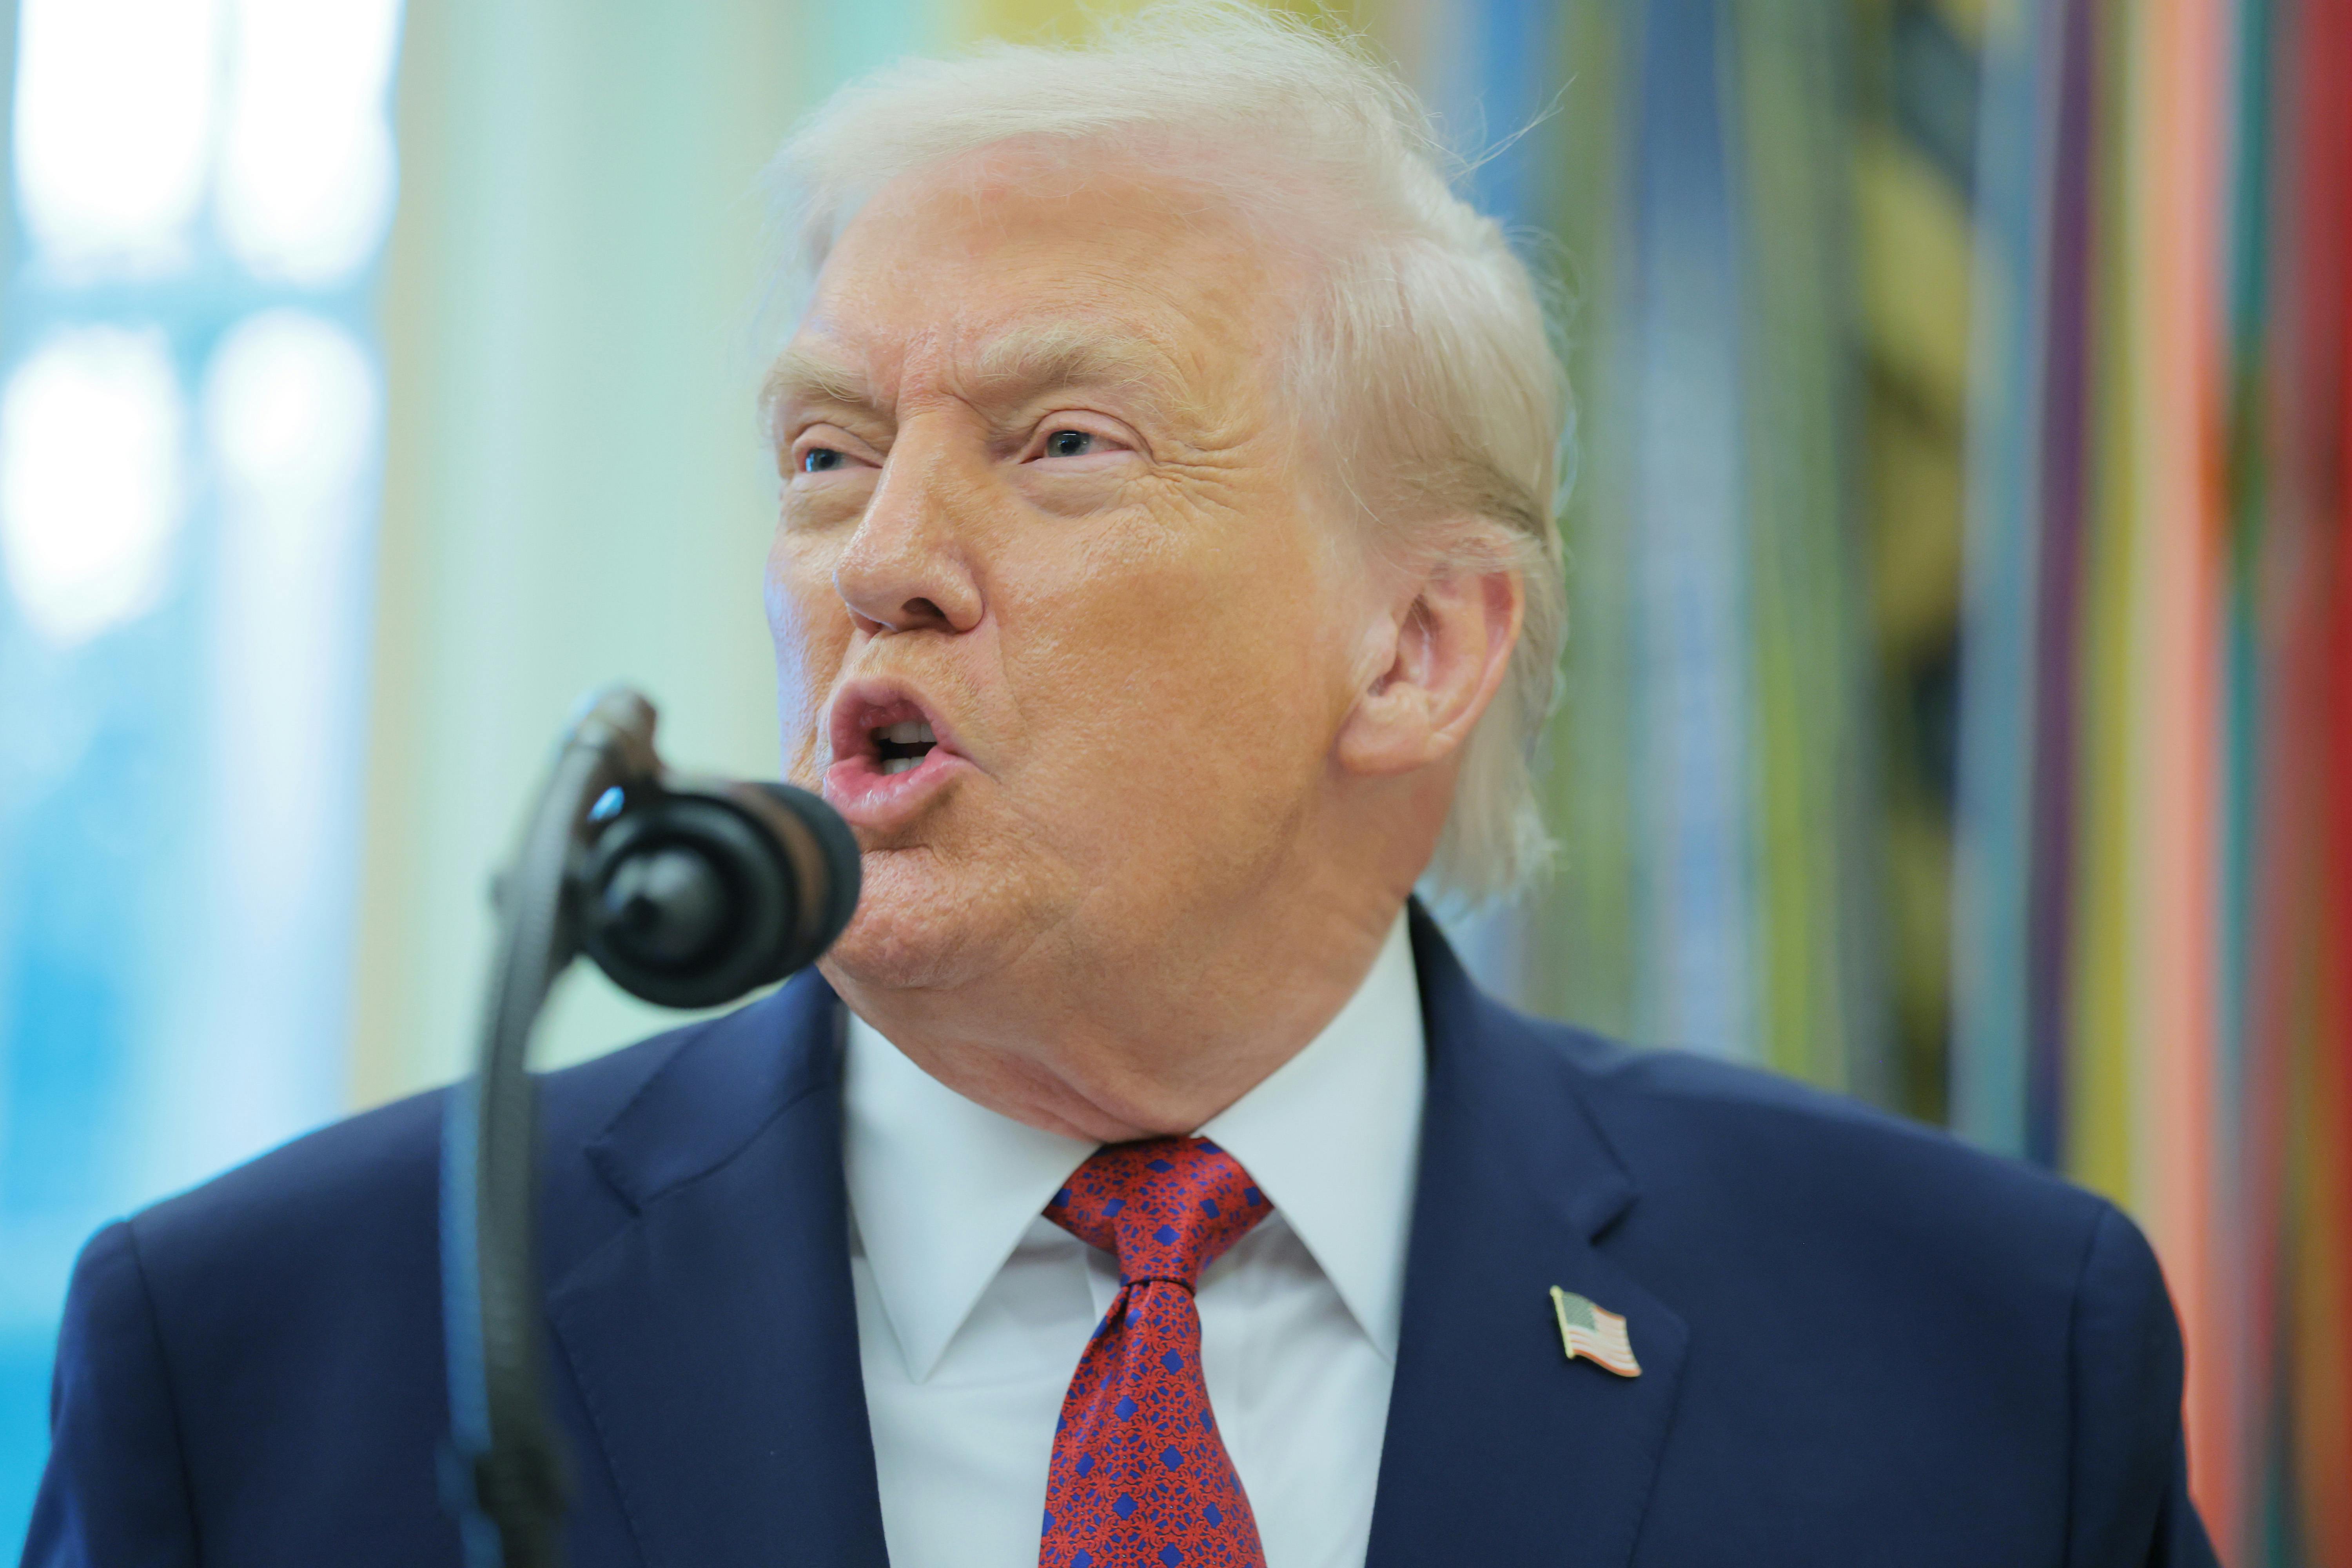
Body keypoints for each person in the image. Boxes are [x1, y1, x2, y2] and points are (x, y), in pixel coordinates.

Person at [24, 6, 2216, 1566]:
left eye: (1065, 445)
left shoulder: (1981, 1357)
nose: (878, 559)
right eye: (826, 453)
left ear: (1419, 646)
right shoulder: (266, 1355)